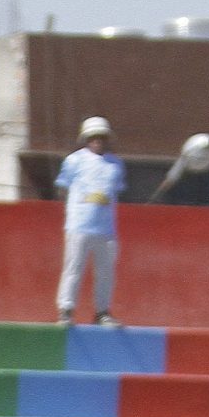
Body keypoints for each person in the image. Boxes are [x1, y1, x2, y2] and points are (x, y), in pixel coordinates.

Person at [55, 116, 127, 326]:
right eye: (94, 137)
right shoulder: (74, 160)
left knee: (106, 272)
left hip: (106, 228)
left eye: (102, 137)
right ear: (86, 139)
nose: (98, 140)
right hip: (79, 225)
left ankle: (102, 312)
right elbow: (63, 186)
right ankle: (66, 310)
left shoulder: (116, 164)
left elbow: (116, 191)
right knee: (73, 268)